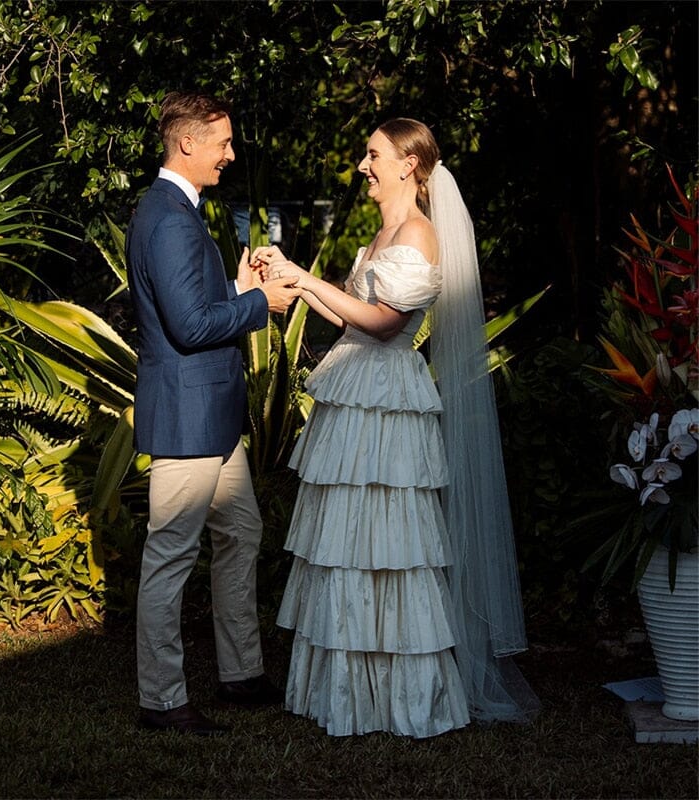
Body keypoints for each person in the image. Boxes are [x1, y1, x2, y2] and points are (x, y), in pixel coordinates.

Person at [252, 118, 538, 738]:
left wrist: (305, 280)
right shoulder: (383, 232)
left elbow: (384, 324)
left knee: (392, 544)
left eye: (373, 154)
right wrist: (294, 276)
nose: (363, 164)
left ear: (408, 164)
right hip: (359, 386)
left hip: (388, 397)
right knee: (349, 540)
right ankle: (348, 691)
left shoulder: (419, 233)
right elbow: (351, 320)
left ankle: (401, 697)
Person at [126, 91, 301, 736]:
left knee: (242, 532)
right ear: (188, 143)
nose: (230, 154)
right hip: (189, 418)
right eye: (222, 143)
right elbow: (192, 325)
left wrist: (242, 284)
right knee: (170, 556)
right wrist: (263, 306)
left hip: (215, 421)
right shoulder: (169, 218)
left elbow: (198, 301)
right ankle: (162, 700)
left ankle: (241, 672)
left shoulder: (179, 209)